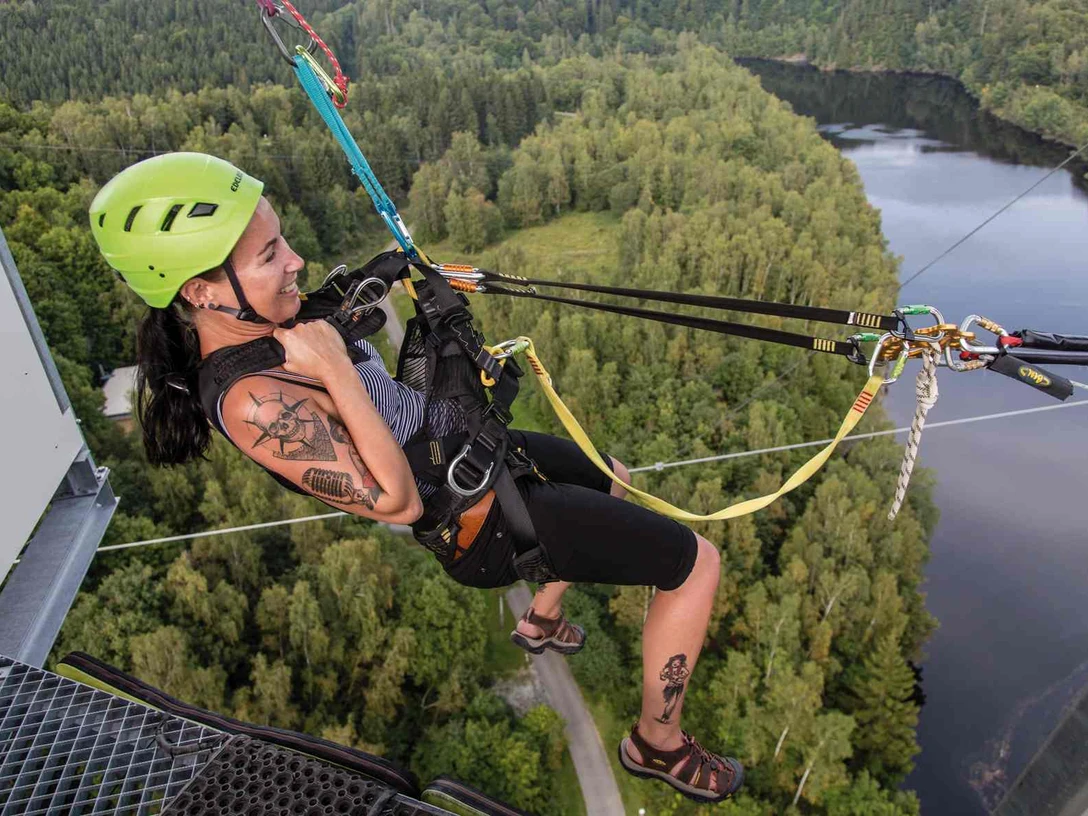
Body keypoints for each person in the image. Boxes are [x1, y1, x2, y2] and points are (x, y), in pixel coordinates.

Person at [89, 152, 744, 802]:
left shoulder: (275, 322)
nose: (294, 261)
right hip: (483, 523)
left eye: (282, 238)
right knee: (694, 564)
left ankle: (542, 618)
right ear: (199, 292)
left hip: (475, 454)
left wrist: (390, 280)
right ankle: (657, 742)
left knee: (613, 475)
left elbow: (377, 376)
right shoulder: (253, 403)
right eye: (269, 256)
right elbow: (397, 503)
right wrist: (337, 370)